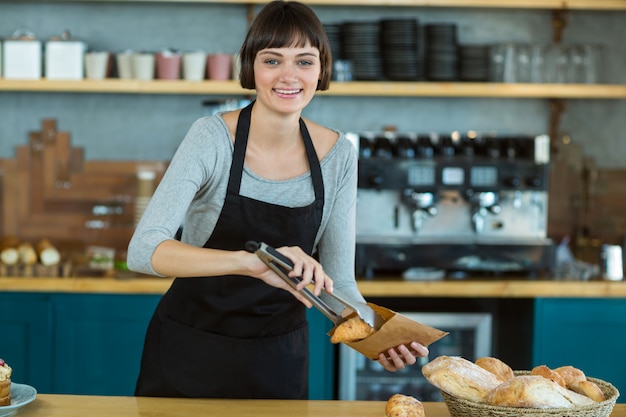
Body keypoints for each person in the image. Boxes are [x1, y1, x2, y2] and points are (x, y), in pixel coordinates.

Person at [127, 0, 428, 400]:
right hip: (190, 351)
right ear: (251, 67)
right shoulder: (212, 138)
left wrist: (379, 337)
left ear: (322, 71)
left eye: (304, 61)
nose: (289, 76)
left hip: (278, 361)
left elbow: (340, 285)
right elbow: (143, 250)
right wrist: (251, 262)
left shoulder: (338, 154)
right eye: (273, 60)